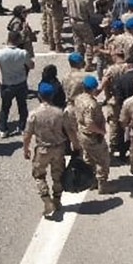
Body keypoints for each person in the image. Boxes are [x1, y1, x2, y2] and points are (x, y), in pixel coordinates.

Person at [23, 82, 80, 217]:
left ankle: (46, 198)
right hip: (59, 148)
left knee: (39, 175)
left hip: (43, 149)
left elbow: (27, 134)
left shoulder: (34, 114)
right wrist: (76, 145)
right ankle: (57, 200)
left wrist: (26, 148)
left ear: (39, 96)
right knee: (58, 176)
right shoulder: (60, 113)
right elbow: (69, 131)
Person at [0, 31, 34, 137]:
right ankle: (22, 127)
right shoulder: (22, 53)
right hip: (20, 83)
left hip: (7, 84)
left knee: (5, 108)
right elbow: (31, 65)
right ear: (18, 40)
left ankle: (3, 129)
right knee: (22, 106)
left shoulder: (0, 53)